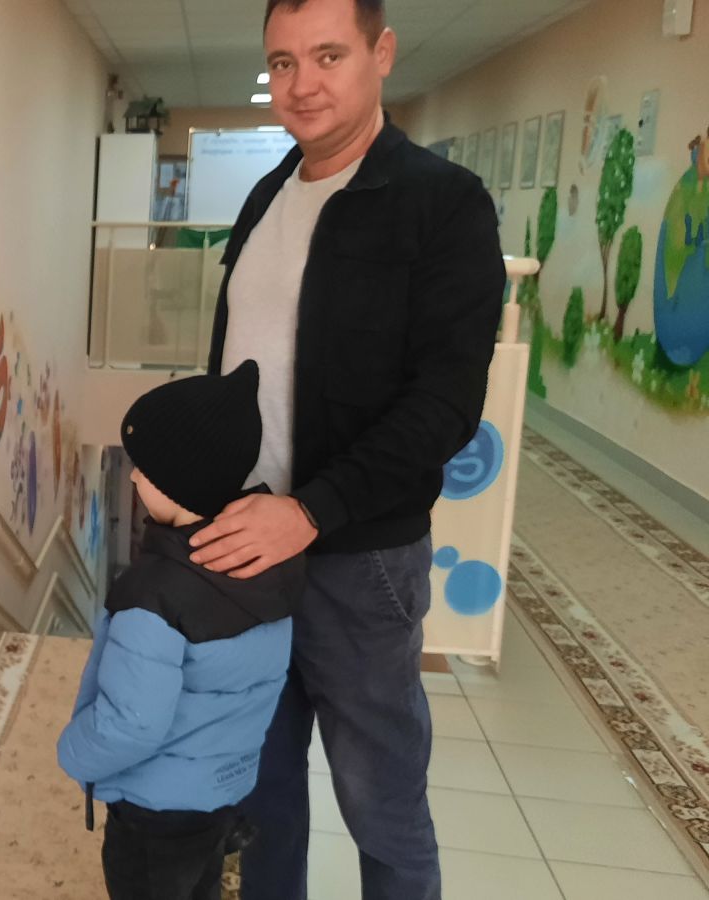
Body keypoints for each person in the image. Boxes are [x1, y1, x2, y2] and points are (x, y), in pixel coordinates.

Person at [186, 2, 506, 897]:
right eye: (283, 62)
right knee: (259, 795)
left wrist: (309, 511)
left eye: (328, 55)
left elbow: (443, 406)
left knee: (382, 807)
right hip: (247, 555)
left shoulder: (442, 205)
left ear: (382, 52)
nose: (302, 84)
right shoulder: (266, 195)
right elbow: (237, 372)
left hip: (360, 566)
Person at [57, 361, 304, 900]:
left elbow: (132, 724)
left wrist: (72, 752)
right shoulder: (269, 569)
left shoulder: (154, 594)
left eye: (142, 468)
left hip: (154, 813)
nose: (132, 477)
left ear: (176, 481)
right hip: (221, 794)